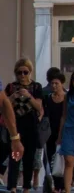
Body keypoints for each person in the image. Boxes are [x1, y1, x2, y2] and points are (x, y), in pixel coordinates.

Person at [5, 59, 43, 193]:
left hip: (31, 125)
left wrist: (29, 96)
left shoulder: (36, 87)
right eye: (19, 73)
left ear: (30, 72)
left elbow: (39, 106)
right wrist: (12, 97)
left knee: (29, 158)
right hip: (16, 124)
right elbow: (4, 105)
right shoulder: (11, 87)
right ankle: (13, 187)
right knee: (15, 157)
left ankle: (27, 187)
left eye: (25, 72)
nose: (22, 75)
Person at [42, 73, 66, 193]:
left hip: (64, 133)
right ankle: (54, 185)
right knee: (49, 158)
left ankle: (61, 186)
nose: (54, 85)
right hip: (49, 133)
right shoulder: (47, 99)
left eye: (57, 83)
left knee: (62, 159)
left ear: (62, 84)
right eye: (52, 83)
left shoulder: (66, 98)